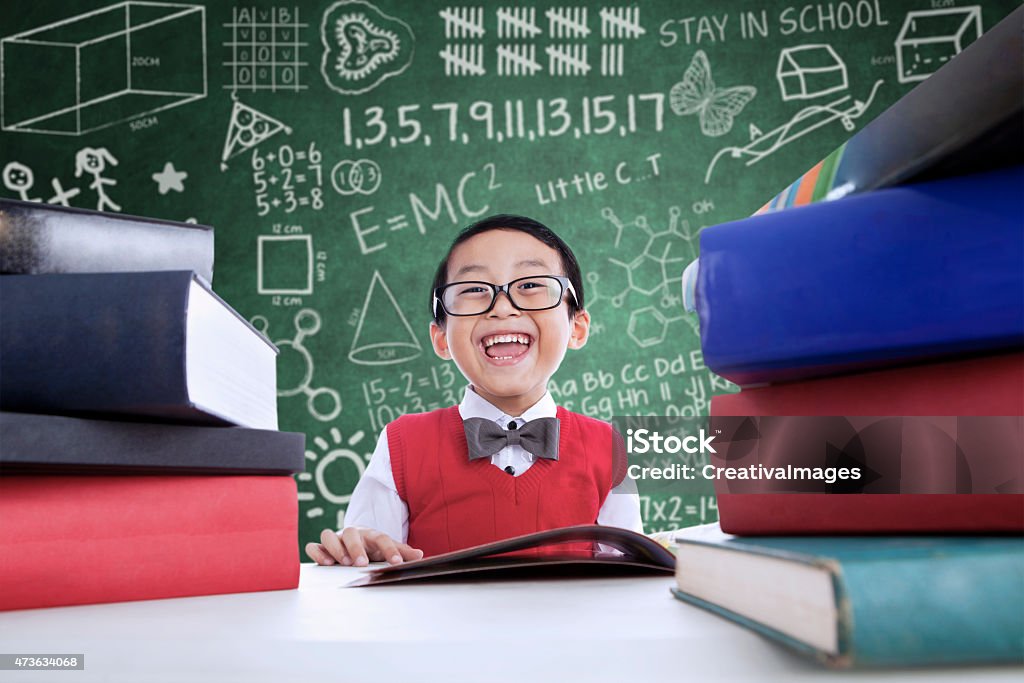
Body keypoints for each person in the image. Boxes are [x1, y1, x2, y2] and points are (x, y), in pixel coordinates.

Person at [305, 214, 642, 567]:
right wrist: (358, 548)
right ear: (441, 338)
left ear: (577, 327)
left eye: (530, 285)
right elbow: (370, 563)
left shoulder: (611, 449)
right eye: (474, 289)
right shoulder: (401, 443)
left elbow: (631, 578)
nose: (502, 307)